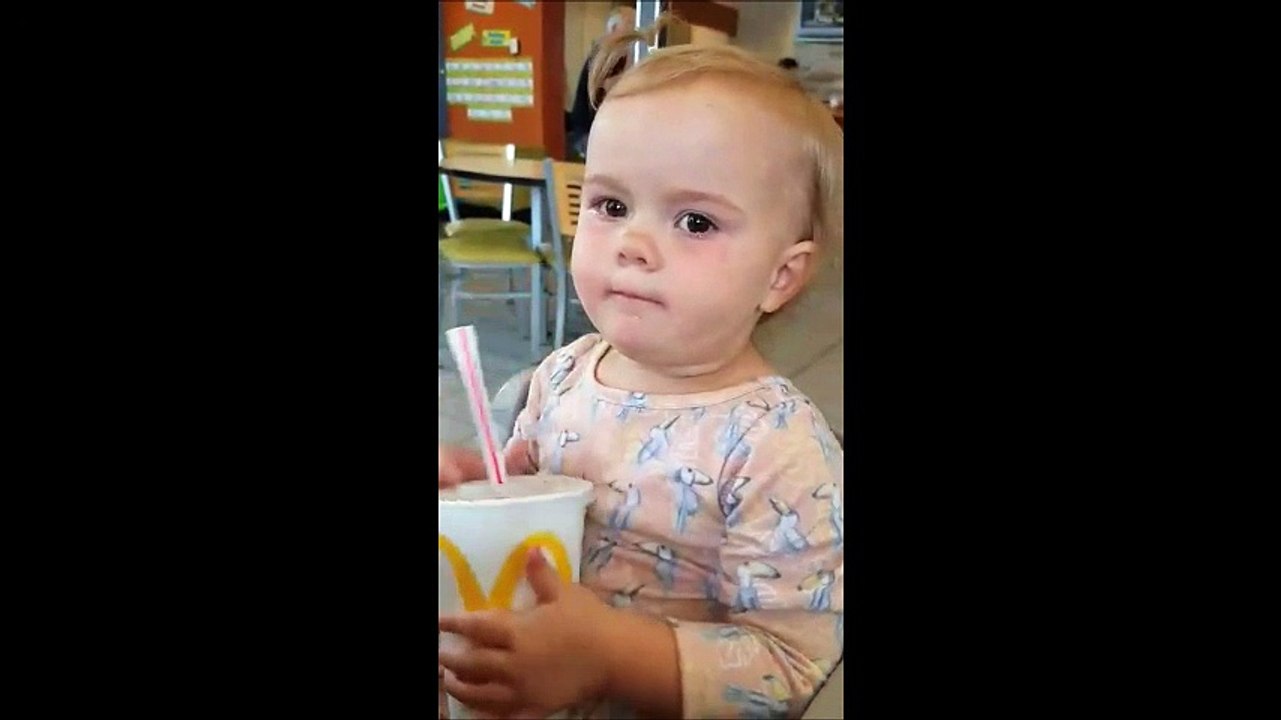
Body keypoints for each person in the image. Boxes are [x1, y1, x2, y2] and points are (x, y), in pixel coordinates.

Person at [438, 14, 844, 720]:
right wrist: (479, 485)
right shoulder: (562, 373)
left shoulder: (778, 448)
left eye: (695, 222)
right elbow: (528, 494)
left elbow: (793, 666)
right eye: (611, 204)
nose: (631, 242)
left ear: (780, 276)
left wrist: (609, 657)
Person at [568, 6, 635, 159]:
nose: (636, 30)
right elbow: (585, 107)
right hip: (593, 138)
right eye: (631, 24)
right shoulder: (599, 59)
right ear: (613, 29)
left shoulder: (632, 56)